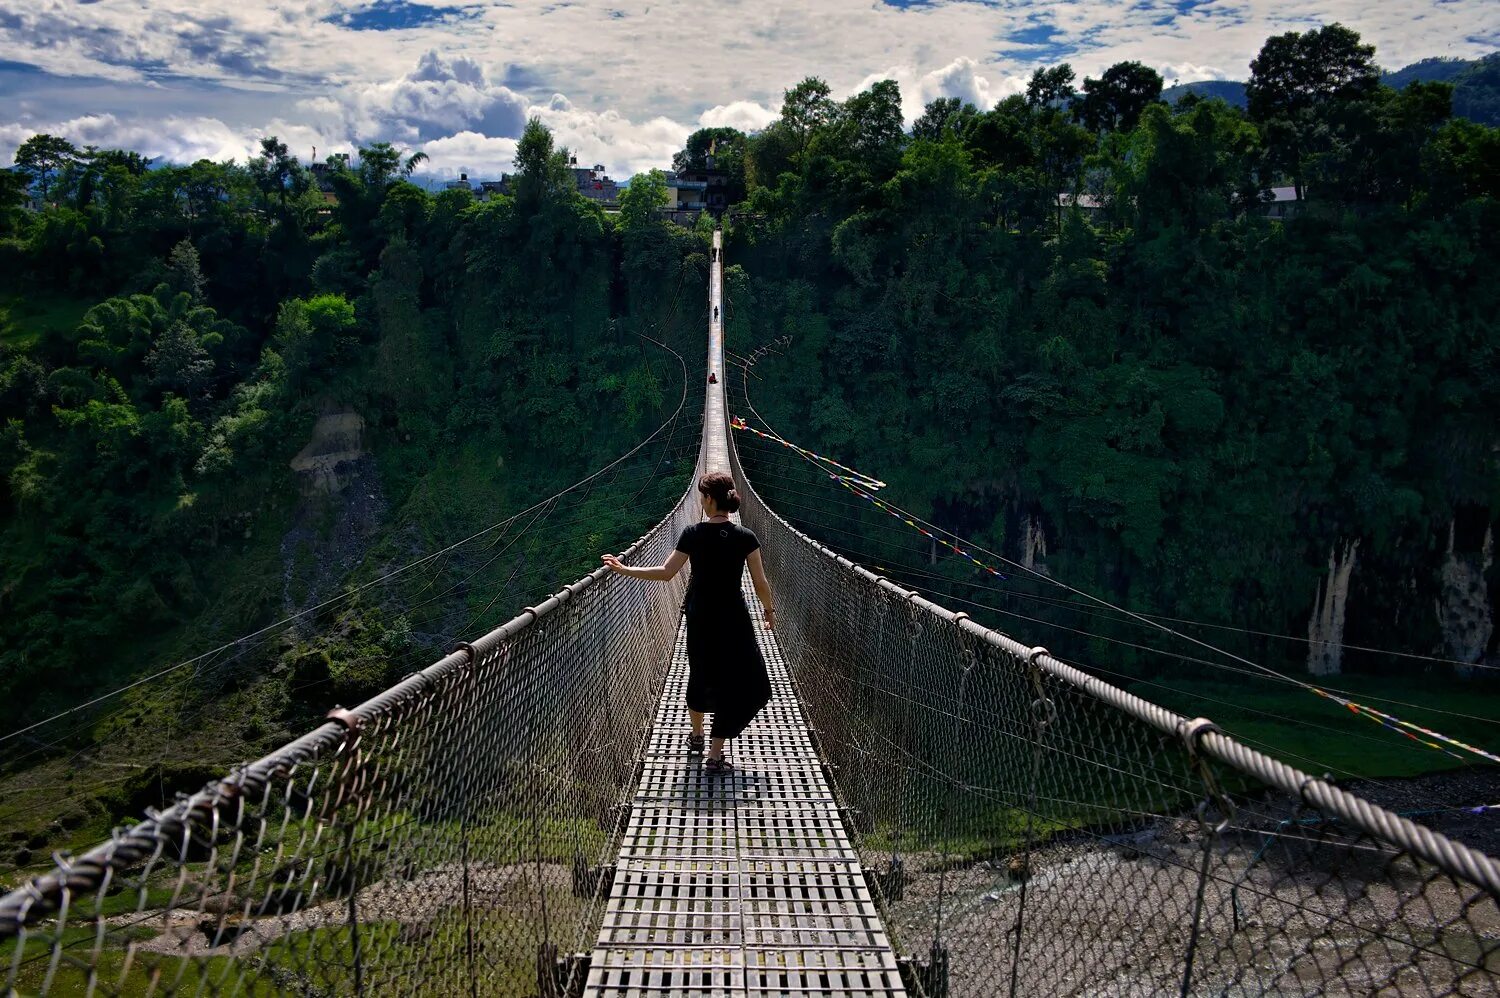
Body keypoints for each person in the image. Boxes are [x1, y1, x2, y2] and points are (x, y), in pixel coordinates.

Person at [601, 472, 773, 773]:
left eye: (701, 496)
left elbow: (666, 573)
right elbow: (759, 582)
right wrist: (769, 610)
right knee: (736, 677)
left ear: (708, 499)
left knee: (701, 669)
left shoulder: (692, 534)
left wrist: (624, 569)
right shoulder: (746, 537)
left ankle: (696, 736)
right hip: (734, 616)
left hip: (700, 615)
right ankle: (715, 754)